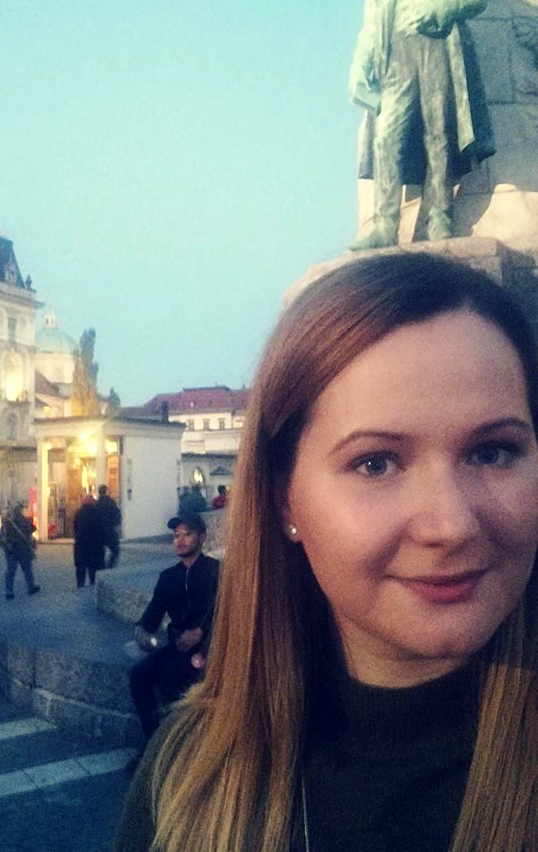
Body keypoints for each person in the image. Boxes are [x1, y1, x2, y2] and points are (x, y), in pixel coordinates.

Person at [115, 251, 538, 852]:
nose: (451, 526)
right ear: (285, 500)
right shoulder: (185, 779)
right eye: (376, 463)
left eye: (492, 452)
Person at [349, 0, 493, 249]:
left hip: (436, 44)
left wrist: (440, 8)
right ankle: (385, 225)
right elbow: (371, 20)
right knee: (386, 135)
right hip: (395, 52)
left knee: (438, 132)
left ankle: (439, 217)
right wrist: (359, 64)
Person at [129, 513, 220, 741]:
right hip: (178, 645)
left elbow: (226, 608)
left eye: (187, 534)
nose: (180, 540)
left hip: (211, 645)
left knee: (178, 676)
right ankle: (154, 740)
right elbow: (152, 616)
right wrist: (142, 632)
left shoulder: (216, 570)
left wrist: (202, 632)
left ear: (202, 537)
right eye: (176, 535)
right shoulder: (168, 577)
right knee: (139, 675)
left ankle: (184, 742)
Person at [2, 502, 40, 600]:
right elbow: (33, 528)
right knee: (27, 570)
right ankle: (31, 586)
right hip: (24, 549)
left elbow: (5, 535)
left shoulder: (9, 522)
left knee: (11, 571)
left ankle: (9, 591)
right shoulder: (24, 520)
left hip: (13, 550)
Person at [73, 494, 104, 587]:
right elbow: (100, 528)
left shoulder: (79, 513)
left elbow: (75, 527)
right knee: (93, 566)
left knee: (80, 567)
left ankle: (80, 583)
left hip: (81, 543)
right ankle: (92, 582)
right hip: (94, 543)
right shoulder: (97, 512)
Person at [96, 484, 122, 568]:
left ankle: (101, 565)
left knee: (100, 549)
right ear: (106, 491)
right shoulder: (111, 502)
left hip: (99, 530)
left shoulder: (97, 504)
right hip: (110, 529)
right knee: (115, 549)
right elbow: (117, 514)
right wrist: (116, 524)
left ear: (99, 492)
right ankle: (110, 564)